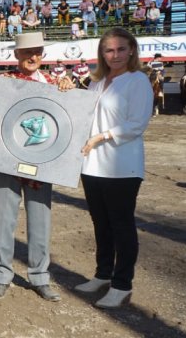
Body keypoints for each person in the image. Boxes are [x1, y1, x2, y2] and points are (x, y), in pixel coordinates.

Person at [0, 32, 74, 302]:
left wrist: (69, 85)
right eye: (27, 52)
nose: (32, 57)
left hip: (42, 162)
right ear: (16, 55)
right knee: (3, 220)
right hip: (7, 161)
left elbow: (71, 115)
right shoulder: (2, 82)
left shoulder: (54, 83)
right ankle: (2, 275)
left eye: (37, 52)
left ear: (43, 54)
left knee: (41, 220)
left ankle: (39, 276)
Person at [76, 27, 153, 308]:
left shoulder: (138, 81)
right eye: (109, 50)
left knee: (121, 225)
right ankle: (102, 274)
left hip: (122, 166)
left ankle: (122, 284)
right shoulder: (97, 82)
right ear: (102, 53)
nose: (116, 55)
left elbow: (137, 123)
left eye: (121, 49)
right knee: (101, 225)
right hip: (92, 165)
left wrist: (102, 136)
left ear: (131, 50)